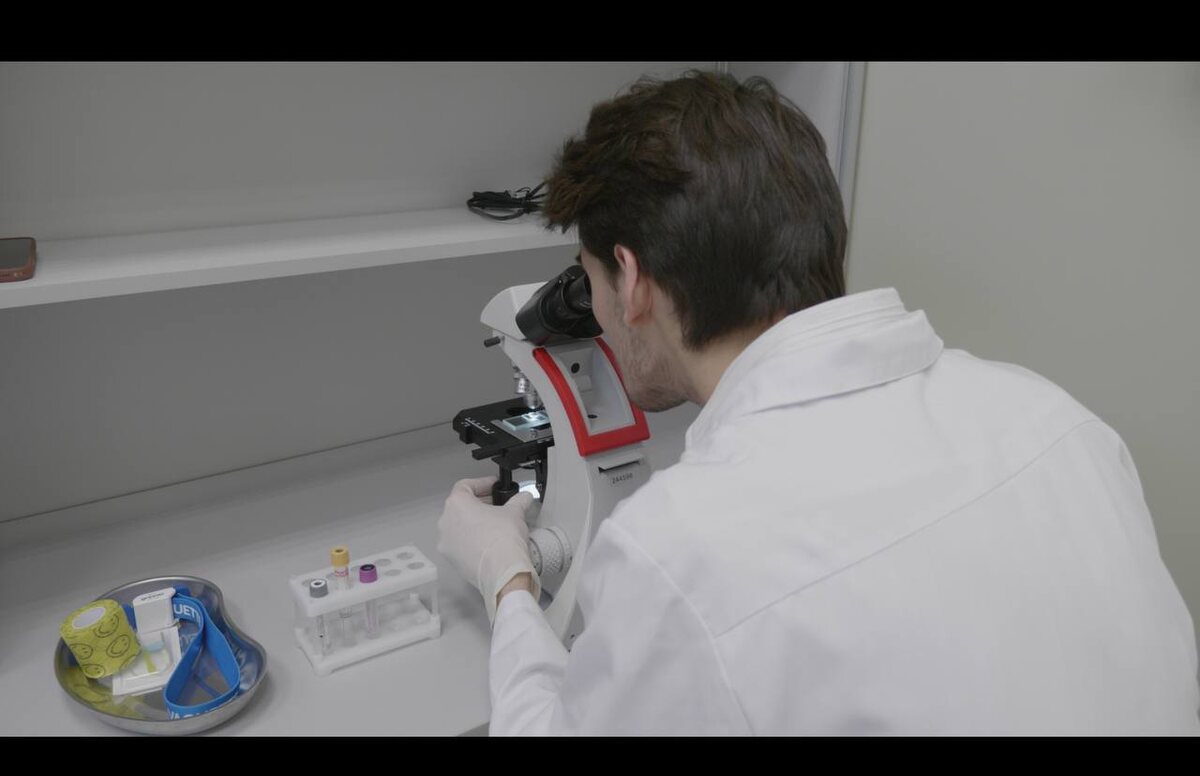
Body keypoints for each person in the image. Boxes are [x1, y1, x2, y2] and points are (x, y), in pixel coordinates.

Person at [436, 69, 1200, 734]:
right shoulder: (1054, 419)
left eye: (591, 279)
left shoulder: (679, 554)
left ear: (631, 281)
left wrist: (507, 579)